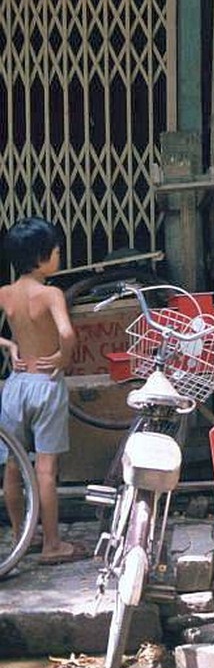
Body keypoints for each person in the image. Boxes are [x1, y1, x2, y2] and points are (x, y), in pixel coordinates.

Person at [0, 217, 83, 564]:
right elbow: (66, 333)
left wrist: (9, 347)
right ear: (40, 256)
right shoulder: (50, 294)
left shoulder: (6, 293)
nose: (59, 255)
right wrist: (63, 358)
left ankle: (22, 536)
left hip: (16, 386)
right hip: (46, 385)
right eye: (56, 251)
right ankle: (52, 545)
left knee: (13, 468)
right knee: (46, 469)